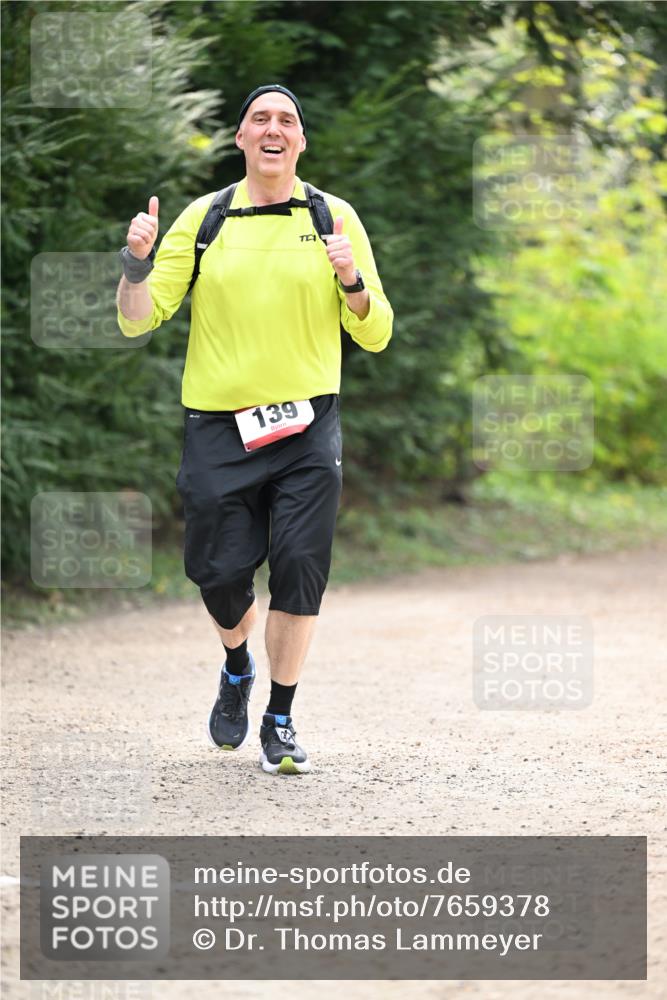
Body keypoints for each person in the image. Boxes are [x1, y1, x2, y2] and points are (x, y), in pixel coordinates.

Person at [116, 84, 393, 775]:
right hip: (218, 428)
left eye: (287, 120)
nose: (273, 129)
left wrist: (352, 279)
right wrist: (133, 266)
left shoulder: (333, 217)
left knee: (300, 567)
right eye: (259, 120)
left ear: (300, 141)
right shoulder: (206, 218)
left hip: (307, 426)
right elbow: (137, 317)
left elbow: (377, 331)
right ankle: (237, 666)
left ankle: (280, 717)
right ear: (240, 139)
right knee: (218, 574)